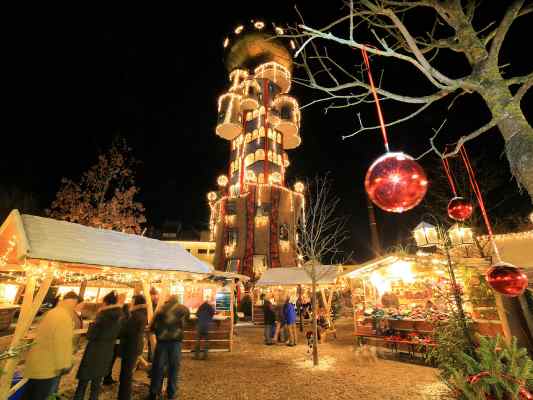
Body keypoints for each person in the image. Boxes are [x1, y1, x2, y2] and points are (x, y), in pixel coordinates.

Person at [23, 291, 79, 400]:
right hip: (49, 367)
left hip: (37, 364)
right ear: (74, 303)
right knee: (41, 395)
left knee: (31, 394)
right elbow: (62, 343)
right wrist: (64, 365)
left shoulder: (53, 312)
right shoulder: (64, 317)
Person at [74, 291, 123, 400]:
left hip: (94, 352)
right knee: (96, 385)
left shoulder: (102, 316)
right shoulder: (120, 317)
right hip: (107, 352)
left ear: (106, 303)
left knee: (83, 384)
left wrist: (92, 325)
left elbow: (91, 335)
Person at [149, 295, 190, 400]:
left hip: (162, 342)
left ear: (168, 301)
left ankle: (154, 393)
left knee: (158, 367)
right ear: (177, 300)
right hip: (176, 343)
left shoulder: (160, 309)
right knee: (174, 368)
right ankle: (171, 393)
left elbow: (152, 327)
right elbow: (187, 323)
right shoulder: (184, 309)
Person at [118, 294, 148, 400]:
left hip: (130, 347)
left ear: (136, 302)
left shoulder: (135, 315)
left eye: (132, 300)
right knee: (127, 373)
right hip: (134, 346)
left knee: (126, 374)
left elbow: (125, 331)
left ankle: (124, 396)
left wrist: (121, 325)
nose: (131, 302)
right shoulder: (141, 313)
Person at [103, 292, 128, 386]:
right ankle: (106, 376)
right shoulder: (115, 310)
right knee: (110, 358)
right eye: (122, 297)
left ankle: (107, 376)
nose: (123, 299)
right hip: (112, 339)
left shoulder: (123, 309)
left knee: (112, 359)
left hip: (117, 339)